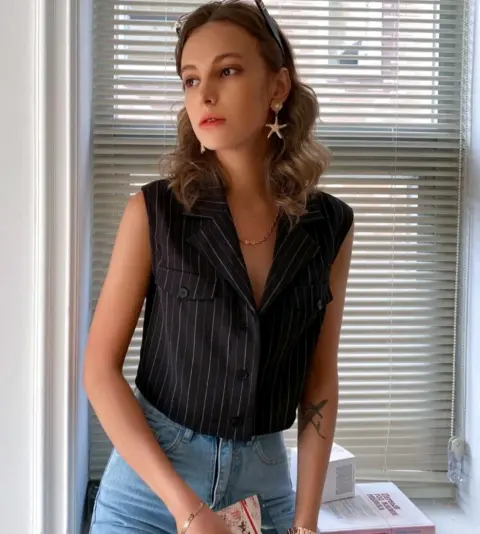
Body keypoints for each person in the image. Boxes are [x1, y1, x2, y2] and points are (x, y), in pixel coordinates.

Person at [83, 1, 354, 533]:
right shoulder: (155, 212)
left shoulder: (330, 225)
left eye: (226, 71)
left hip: (265, 490)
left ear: (278, 87)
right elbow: (99, 371)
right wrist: (186, 510)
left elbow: (319, 379)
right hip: (150, 493)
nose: (203, 94)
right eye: (190, 79)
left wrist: (305, 522)